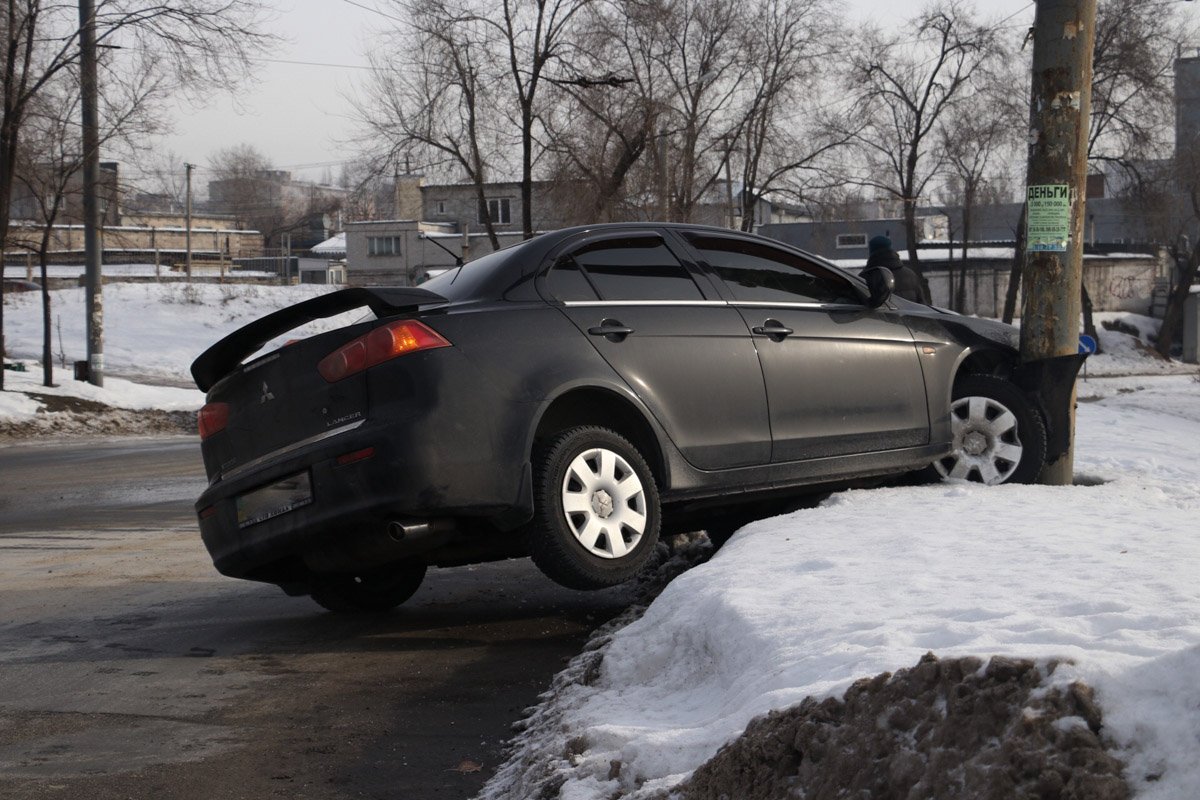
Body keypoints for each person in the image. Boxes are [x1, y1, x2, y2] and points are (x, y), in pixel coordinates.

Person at [865, 235, 931, 304]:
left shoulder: (867, 277)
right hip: (910, 314)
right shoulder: (910, 275)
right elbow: (922, 304)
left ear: (871, 252)